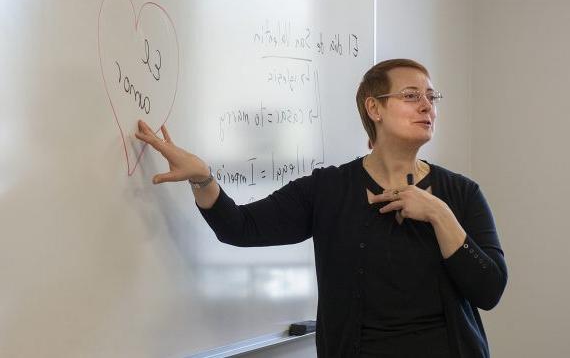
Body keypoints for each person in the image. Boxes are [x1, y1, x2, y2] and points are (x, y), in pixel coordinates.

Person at [135, 59, 507, 358]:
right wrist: (202, 179)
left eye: (431, 96)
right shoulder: (329, 190)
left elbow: (489, 291)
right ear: (374, 107)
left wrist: (439, 214)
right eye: (411, 95)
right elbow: (239, 227)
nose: (427, 105)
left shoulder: (461, 193)